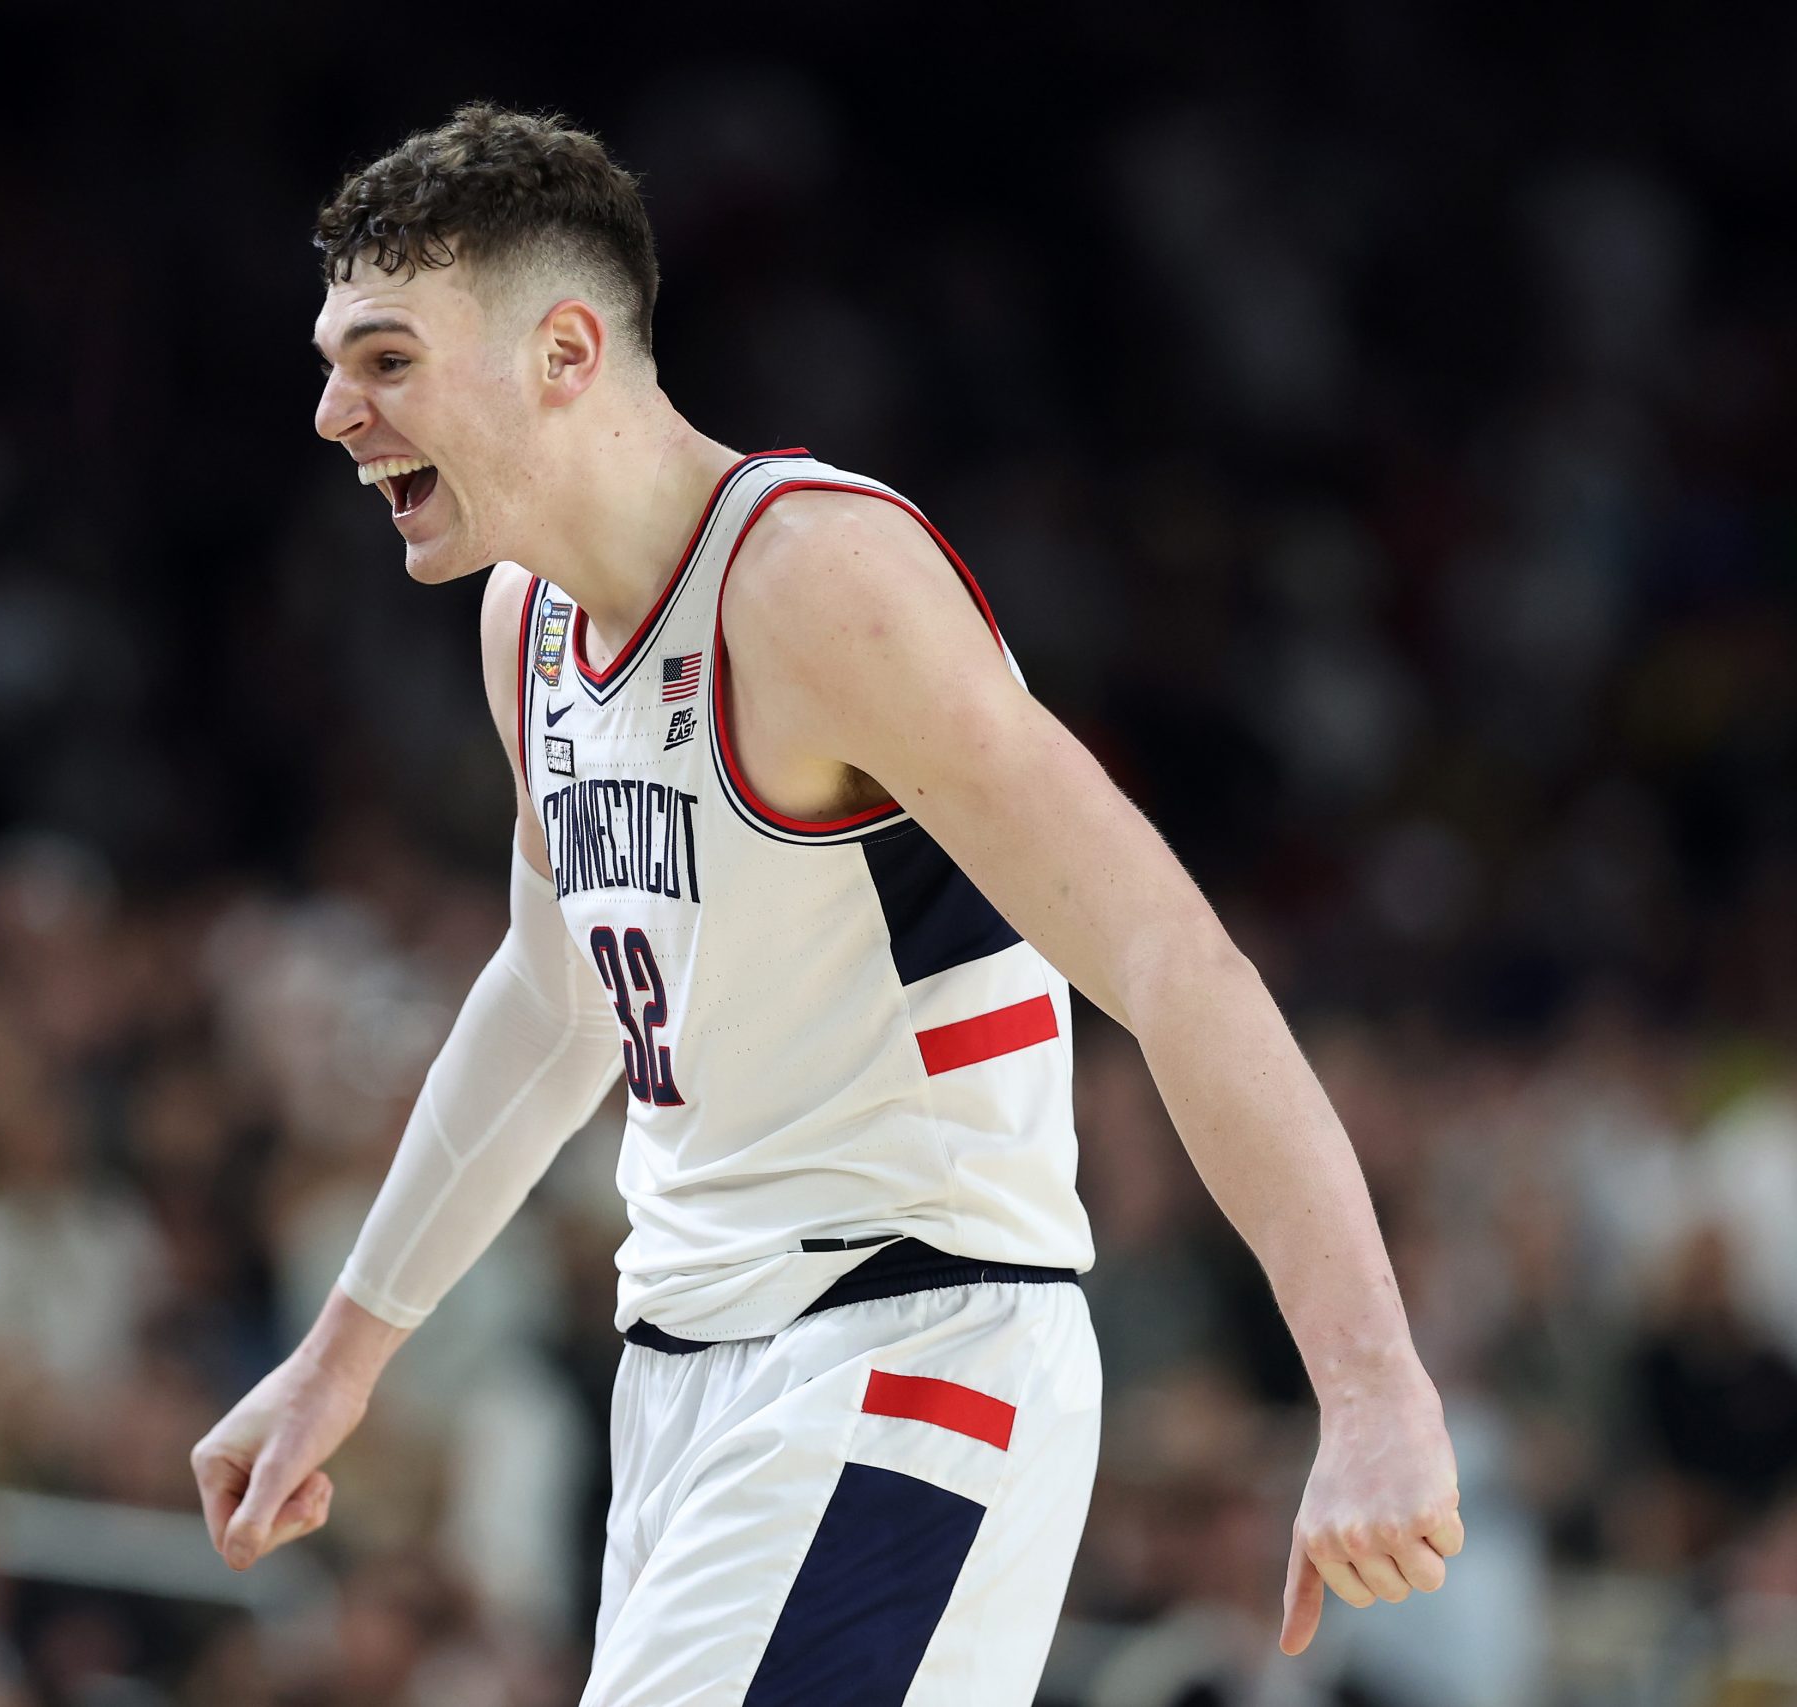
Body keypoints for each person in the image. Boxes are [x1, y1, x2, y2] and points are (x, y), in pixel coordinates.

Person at [192, 104, 1463, 1705]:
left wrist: (1370, 1393)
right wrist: (338, 1363)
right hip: (684, 1384)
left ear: (567, 351)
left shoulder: (812, 581)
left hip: (907, 1355)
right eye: (331, 361)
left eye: (384, 361)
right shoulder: (527, 625)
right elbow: (556, 996)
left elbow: (1168, 955)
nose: (331, 413)